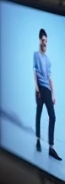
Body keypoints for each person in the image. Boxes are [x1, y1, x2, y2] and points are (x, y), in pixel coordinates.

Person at [35, 28, 60, 160]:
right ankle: (38, 140)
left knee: (52, 117)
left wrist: (53, 95)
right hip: (40, 89)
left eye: (46, 41)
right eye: (43, 40)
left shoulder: (48, 60)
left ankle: (51, 147)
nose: (45, 43)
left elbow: (50, 78)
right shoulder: (36, 55)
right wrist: (37, 89)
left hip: (48, 90)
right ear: (40, 40)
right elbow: (35, 75)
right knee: (39, 114)